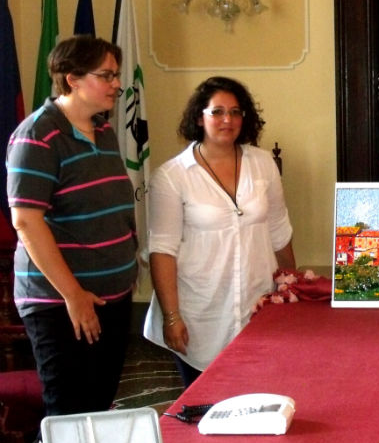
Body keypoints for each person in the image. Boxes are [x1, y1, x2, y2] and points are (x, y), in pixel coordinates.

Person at [6, 36, 137, 416]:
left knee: (98, 407)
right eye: (106, 75)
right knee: (68, 414)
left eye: (116, 75)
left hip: (112, 296)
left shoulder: (104, 131)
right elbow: (26, 221)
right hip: (60, 302)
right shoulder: (38, 135)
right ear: (72, 79)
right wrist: (74, 295)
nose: (117, 84)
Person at [143, 76, 295, 386]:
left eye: (236, 112)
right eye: (217, 112)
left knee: (259, 397)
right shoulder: (172, 176)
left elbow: (279, 230)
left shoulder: (263, 163)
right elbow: (162, 251)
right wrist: (172, 317)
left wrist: (292, 291)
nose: (228, 120)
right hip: (199, 313)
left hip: (258, 304)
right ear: (199, 118)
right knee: (205, 404)